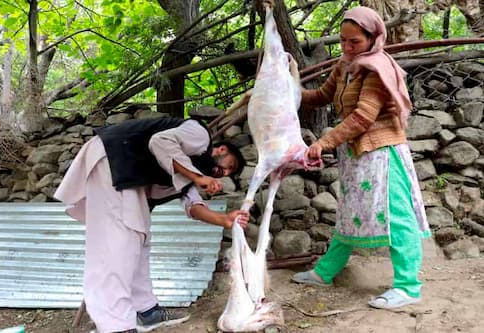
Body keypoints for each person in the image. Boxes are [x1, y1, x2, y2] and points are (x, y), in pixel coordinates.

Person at [291, 6, 431, 309]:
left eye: (354, 42)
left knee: (398, 218)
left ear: (373, 38)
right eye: (342, 40)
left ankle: (408, 286)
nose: (346, 47)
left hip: (383, 152)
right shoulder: (346, 65)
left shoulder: (377, 68)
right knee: (348, 213)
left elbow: (362, 117)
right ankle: (325, 272)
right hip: (357, 155)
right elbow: (321, 97)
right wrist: (289, 88)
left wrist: (324, 142)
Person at [54, 116, 250, 333]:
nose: (224, 173)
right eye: (228, 166)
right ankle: (114, 325)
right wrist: (196, 177)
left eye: (229, 174)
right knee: (117, 244)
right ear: (221, 150)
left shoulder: (187, 169)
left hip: (124, 171)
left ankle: (146, 311)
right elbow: (160, 141)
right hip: (113, 156)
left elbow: (193, 206)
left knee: (139, 240)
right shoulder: (199, 137)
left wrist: (224, 220)